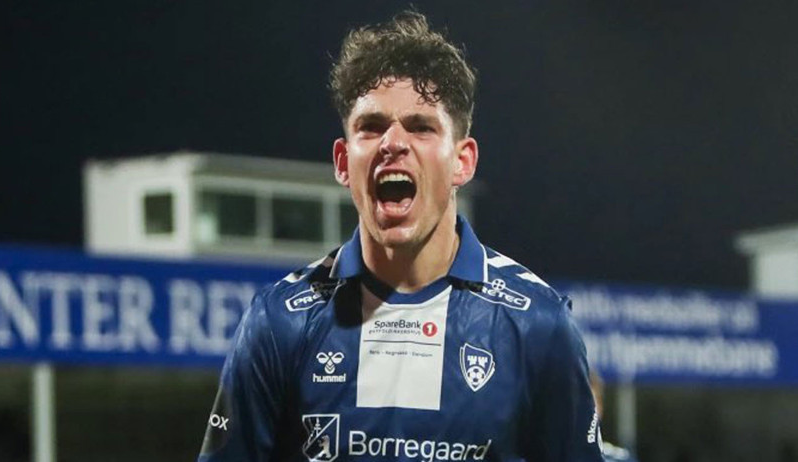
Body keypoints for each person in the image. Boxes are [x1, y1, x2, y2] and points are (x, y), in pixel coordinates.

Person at [198, 11, 604, 462]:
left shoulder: (538, 325)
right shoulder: (279, 322)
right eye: (371, 127)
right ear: (342, 162)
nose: (393, 142)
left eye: (421, 126)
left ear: (462, 162)